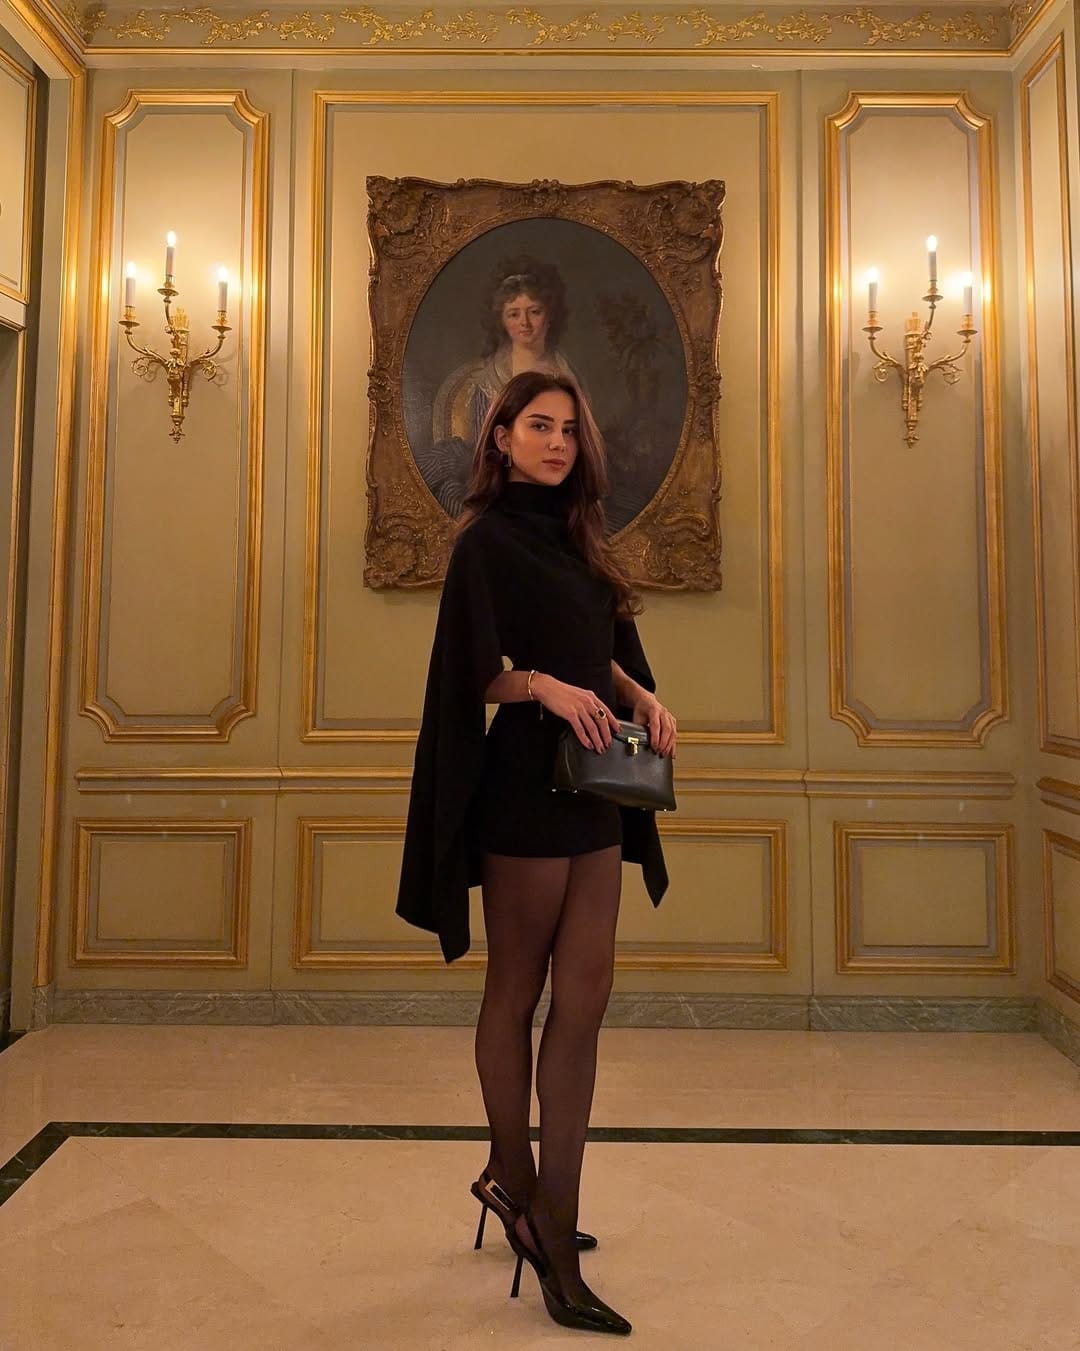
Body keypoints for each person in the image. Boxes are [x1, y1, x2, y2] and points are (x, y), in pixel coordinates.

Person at [396, 371, 677, 1335]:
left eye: (567, 428)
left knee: (585, 998)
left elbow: (601, 648)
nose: (557, 442)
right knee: (515, 988)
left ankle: (541, 1195)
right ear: (502, 437)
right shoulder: (482, 542)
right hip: (521, 785)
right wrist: (543, 687)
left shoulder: (584, 535)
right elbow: (475, 674)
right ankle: (529, 1198)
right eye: (538, 426)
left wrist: (641, 696)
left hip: (595, 785)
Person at [419, 258, 586, 517]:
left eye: (534, 311)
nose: (525, 323)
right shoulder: (487, 381)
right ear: (502, 320)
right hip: (501, 486)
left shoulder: (569, 376)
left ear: (550, 315)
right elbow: (487, 453)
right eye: (514, 314)